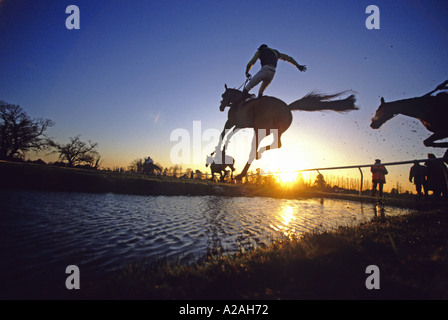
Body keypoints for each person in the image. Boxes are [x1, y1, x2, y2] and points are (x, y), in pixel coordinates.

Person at [235, 44, 307, 104]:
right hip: (272, 74)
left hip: (264, 70)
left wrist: (247, 72)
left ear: (260, 48)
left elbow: (251, 63)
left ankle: (236, 105)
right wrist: (298, 65)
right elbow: (289, 58)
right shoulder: (275, 52)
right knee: (260, 93)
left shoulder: (260, 51)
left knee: (247, 89)